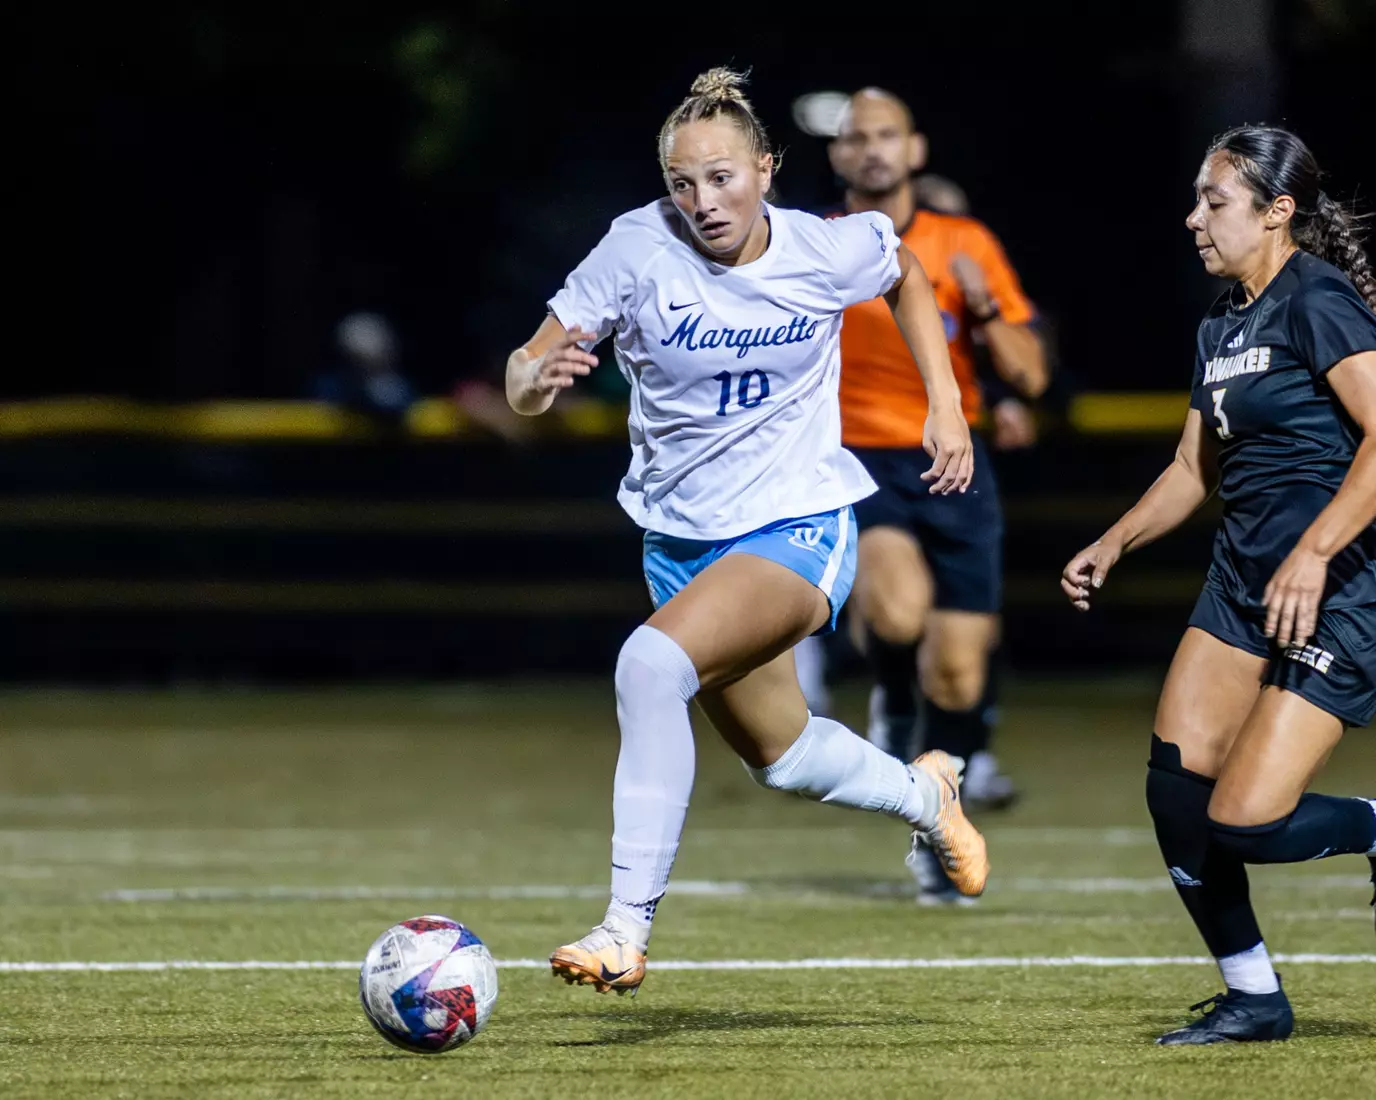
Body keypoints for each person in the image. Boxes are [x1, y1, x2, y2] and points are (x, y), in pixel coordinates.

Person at [504, 67, 989, 997]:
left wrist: (946, 403)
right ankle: (928, 797)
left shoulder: (821, 248)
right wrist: (538, 380)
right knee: (784, 756)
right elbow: (526, 370)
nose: (704, 201)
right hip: (681, 542)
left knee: (649, 666)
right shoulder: (636, 248)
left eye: (723, 177)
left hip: (800, 522)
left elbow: (906, 272)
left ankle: (623, 930)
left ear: (767, 168)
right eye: (683, 184)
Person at [1061, 124, 1376, 1045]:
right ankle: (1253, 997)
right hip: (1242, 585)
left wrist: (1314, 553)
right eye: (1198, 199)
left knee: (1245, 820)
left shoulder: (1315, 300)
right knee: (1175, 794)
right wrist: (1113, 542)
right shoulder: (1220, 321)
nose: (1194, 218)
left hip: (1342, 587)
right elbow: (1192, 472)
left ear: (1278, 212)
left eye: (1215, 202)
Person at [818, 88, 1049, 903]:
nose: (873, 149)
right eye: (858, 138)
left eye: (888, 135)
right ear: (838, 155)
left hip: (955, 463)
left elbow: (1028, 372)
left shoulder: (964, 242)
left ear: (915, 150)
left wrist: (983, 308)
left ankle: (937, 822)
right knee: (899, 614)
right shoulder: (815, 246)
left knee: (956, 674)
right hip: (857, 462)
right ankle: (886, 685)